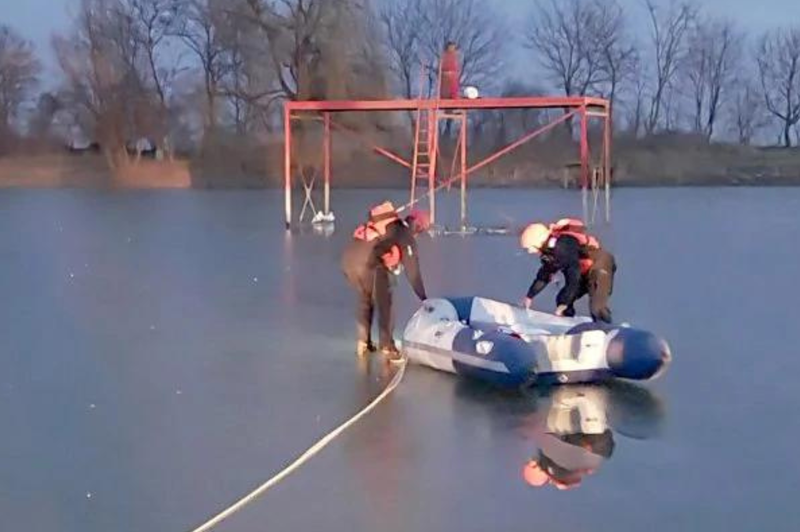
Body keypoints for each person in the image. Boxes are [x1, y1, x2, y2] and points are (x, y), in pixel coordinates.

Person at [341, 201, 429, 362]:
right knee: (385, 303)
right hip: (370, 263)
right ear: (416, 227)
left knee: (365, 299)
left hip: (349, 262)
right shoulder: (405, 235)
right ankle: (387, 346)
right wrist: (424, 298)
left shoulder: (387, 228)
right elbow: (412, 270)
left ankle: (363, 342)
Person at [519, 218, 616, 323]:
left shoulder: (563, 246)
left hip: (600, 265)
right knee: (562, 298)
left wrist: (564, 303)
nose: (530, 251)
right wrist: (530, 296)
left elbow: (573, 276)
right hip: (584, 270)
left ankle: (607, 332)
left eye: (530, 247)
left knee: (597, 306)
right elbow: (544, 276)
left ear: (538, 241)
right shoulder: (551, 252)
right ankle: (568, 324)